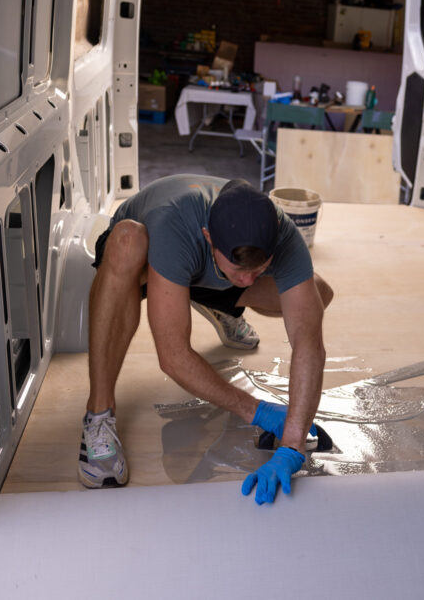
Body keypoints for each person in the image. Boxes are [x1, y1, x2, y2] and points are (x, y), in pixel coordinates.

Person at [79, 174, 333, 504]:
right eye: (241, 270)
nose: (248, 279)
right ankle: (98, 414)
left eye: (258, 269)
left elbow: (308, 342)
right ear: (208, 236)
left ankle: (210, 301)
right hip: (144, 261)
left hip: (205, 271)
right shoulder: (175, 223)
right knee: (128, 239)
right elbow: (172, 357)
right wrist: (256, 411)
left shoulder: (283, 235)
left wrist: (292, 444)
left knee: (318, 294)